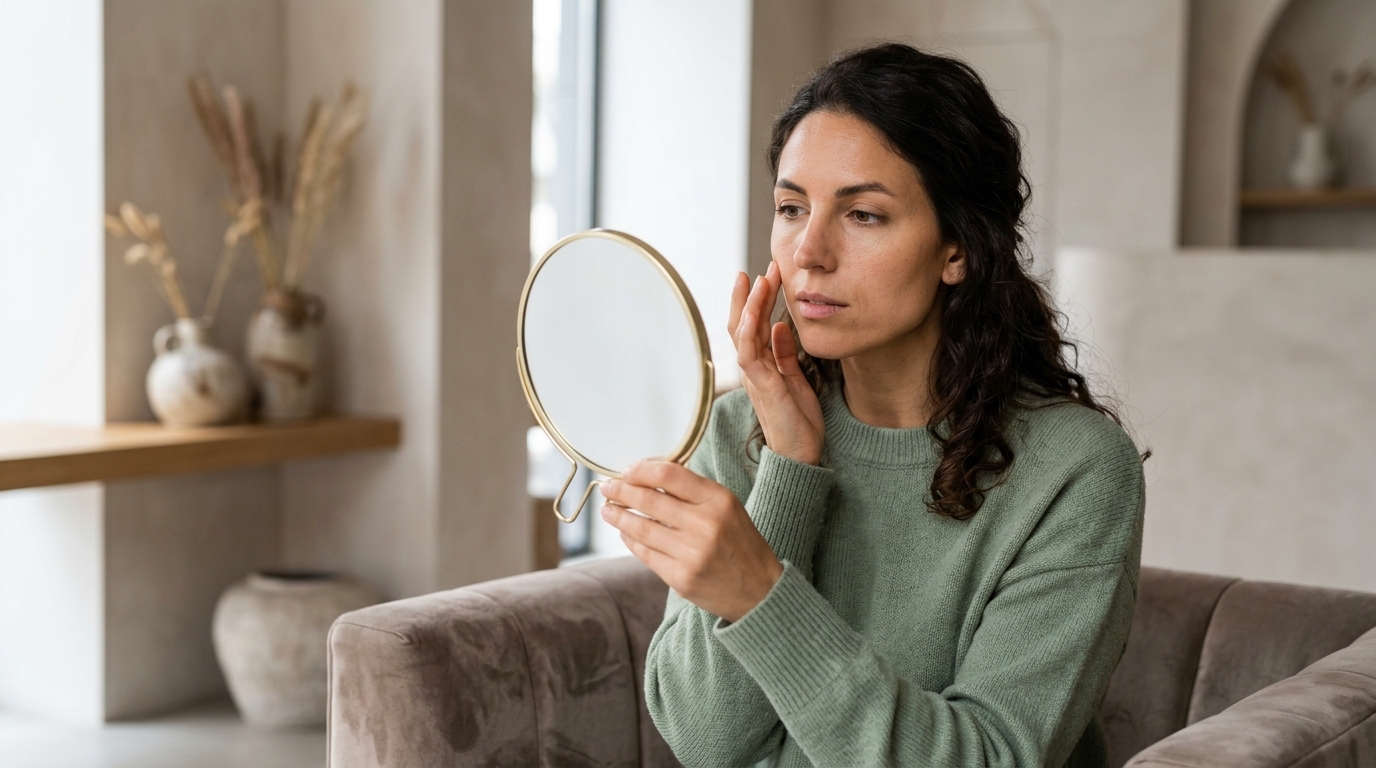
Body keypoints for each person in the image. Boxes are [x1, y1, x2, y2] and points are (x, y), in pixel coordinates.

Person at [598, 42, 1146, 768]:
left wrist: (764, 593)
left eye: (863, 215)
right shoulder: (740, 430)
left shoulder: (1076, 472)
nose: (809, 252)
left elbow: (987, 759)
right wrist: (790, 470)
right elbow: (706, 742)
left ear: (958, 249)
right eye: (791, 207)